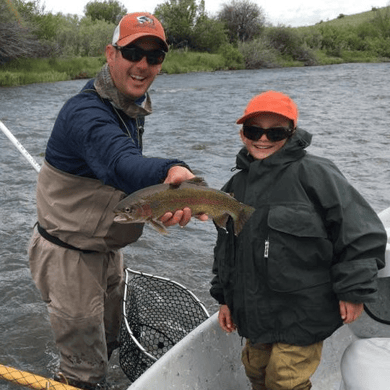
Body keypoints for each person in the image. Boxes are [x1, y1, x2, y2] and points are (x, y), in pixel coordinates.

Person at [28, 12, 206, 390]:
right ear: (111, 53)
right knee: (82, 373)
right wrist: (173, 168)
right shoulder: (85, 113)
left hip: (106, 248)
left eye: (154, 56)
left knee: (107, 343)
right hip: (69, 257)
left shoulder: (126, 104)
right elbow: (120, 164)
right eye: (132, 52)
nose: (142, 64)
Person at [210, 90, 387, 390]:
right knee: (256, 370)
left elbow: (361, 234)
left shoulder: (317, 174)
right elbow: (225, 248)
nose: (263, 139)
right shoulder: (235, 185)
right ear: (242, 134)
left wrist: (354, 290)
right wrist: (224, 298)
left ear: (292, 133)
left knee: (285, 380)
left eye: (275, 132)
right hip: (254, 313)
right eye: (254, 130)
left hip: (305, 311)